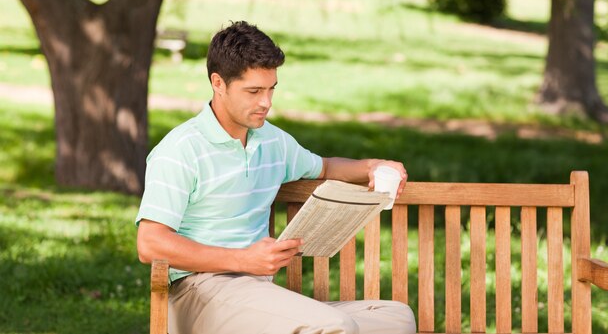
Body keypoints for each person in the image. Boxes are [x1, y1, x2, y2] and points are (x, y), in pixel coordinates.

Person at [135, 21, 417, 334]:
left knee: (394, 318)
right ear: (218, 83)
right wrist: (243, 260)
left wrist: (372, 166)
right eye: (254, 91)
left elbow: (324, 167)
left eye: (271, 89)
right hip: (199, 292)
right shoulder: (180, 150)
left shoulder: (272, 141)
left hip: (256, 295)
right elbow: (150, 243)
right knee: (334, 326)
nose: (266, 102)